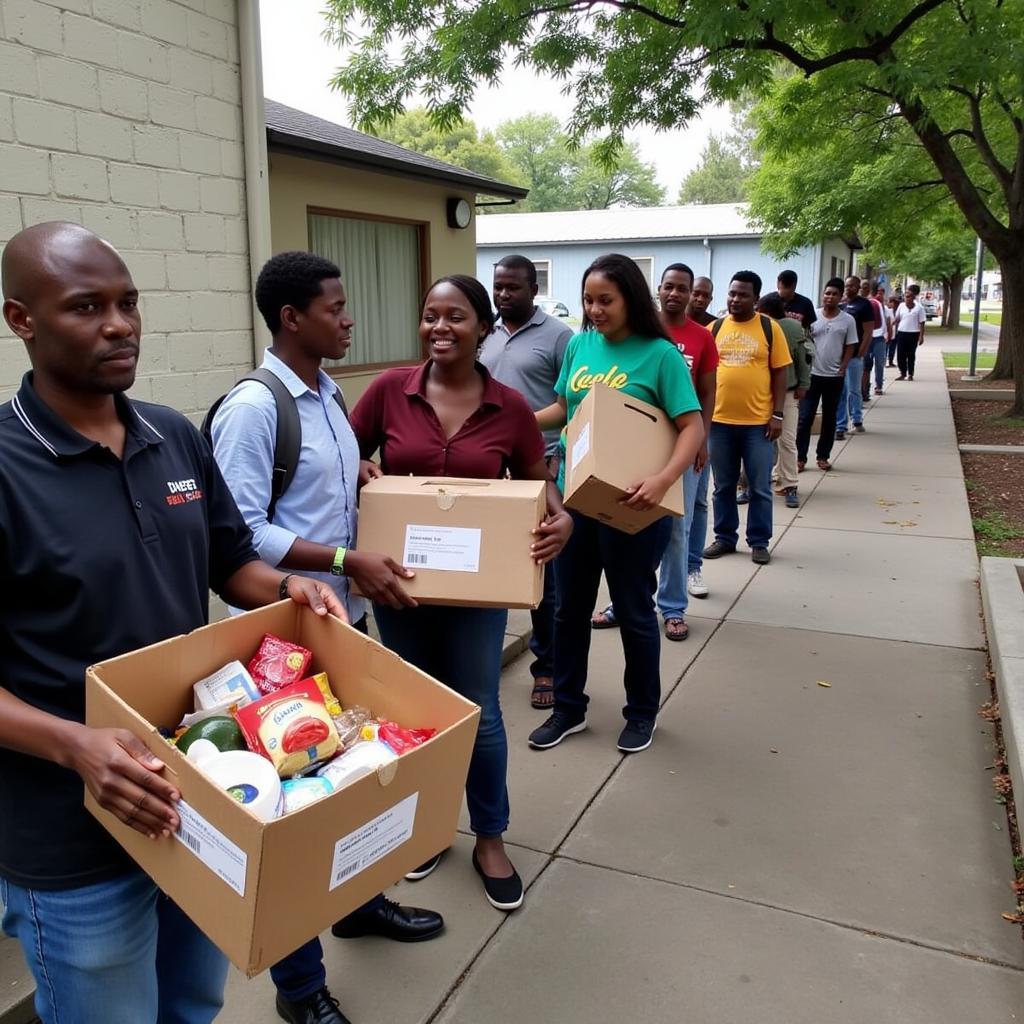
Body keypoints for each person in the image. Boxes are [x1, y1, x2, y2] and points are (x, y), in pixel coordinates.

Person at [0, 223, 344, 1024]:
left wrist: (293, 587)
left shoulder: (174, 436)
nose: (120, 324)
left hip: (200, 790)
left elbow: (231, 564)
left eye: (128, 303)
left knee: (191, 1003)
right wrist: (74, 743)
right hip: (71, 835)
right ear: (22, 319)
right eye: (86, 306)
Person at [210, 252, 445, 1024]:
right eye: (336, 308)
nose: (349, 319)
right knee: (292, 811)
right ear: (291, 319)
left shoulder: (327, 393)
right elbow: (239, 534)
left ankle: (358, 903)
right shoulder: (253, 409)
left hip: (345, 621)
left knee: (348, 777)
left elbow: (318, 490)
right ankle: (301, 993)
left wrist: (362, 478)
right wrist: (345, 557)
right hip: (286, 634)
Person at [350, 275, 573, 912]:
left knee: (480, 710)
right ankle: (425, 831)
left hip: (477, 593)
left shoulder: (507, 408)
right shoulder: (390, 391)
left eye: (454, 317)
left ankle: (490, 838)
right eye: (429, 316)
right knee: (415, 712)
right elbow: (345, 455)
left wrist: (563, 519)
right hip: (402, 587)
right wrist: (362, 464)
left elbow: (537, 484)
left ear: (483, 327)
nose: (439, 327)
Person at [526, 254, 703, 756]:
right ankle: (568, 709)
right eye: (588, 300)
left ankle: (642, 712)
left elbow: (692, 425)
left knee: (634, 610)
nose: (595, 310)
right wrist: (519, 421)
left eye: (606, 300)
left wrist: (663, 478)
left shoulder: (660, 355)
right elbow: (565, 407)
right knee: (568, 609)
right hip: (576, 499)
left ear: (630, 299)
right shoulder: (580, 345)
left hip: (634, 505)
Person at [589, 263, 717, 641]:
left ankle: (673, 606)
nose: (676, 294)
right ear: (657, 290)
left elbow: (706, 394)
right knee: (625, 528)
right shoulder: (632, 333)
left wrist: (703, 440)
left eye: (684, 288)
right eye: (669, 287)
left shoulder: (699, 338)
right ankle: (624, 602)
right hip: (634, 453)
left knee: (677, 528)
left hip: (679, 449)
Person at [479, 254, 572, 709]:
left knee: (543, 574)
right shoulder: (483, 333)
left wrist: (528, 438)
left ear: (533, 289)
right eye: (498, 286)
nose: (503, 295)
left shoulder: (559, 337)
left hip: (538, 468)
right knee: (488, 566)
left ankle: (548, 667)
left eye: (512, 287)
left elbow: (571, 405)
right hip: (488, 471)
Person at [703, 271, 791, 566]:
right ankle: (725, 537)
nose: (735, 299)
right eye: (731, 293)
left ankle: (759, 541)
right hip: (719, 423)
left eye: (742, 295)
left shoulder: (769, 328)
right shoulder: (714, 329)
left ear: (755, 298)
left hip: (758, 425)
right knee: (723, 486)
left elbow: (780, 372)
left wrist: (777, 414)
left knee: (760, 487)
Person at [796, 278, 860, 472]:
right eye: (827, 293)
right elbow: (803, 340)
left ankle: (823, 456)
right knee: (805, 417)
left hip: (834, 377)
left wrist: (843, 367)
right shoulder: (813, 316)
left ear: (841, 297)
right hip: (812, 376)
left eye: (834, 294)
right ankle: (800, 457)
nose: (829, 297)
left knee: (830, 418)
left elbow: (851, 345)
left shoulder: (848, 320)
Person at [757, 293, 810, 509]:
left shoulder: (791, 329)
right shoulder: (754, 327)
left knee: (787, 440)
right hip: (760, 394)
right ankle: (750, 483)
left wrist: (803, 384)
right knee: (757, 443)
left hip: (787, 393)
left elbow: (803, 358)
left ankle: (790, 484)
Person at [835, 275, 874, 439]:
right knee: (841, 391)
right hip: (840, 354)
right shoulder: (841, 305)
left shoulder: (864, 305)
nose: (848, 288)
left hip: (855, 355)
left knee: (853, 389)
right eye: (846, 285)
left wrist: (862, 350)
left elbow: (868, 330)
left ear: (858, 288)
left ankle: (857, 419)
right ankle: (841, 425)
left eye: (852, 286)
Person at [859, 279, 886, 402]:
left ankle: (877, 385)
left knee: (878, 364)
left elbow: (882, 320)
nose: (862, 289)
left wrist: (885, 334)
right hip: (863, 338)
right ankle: (864, 392)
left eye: (865, 287)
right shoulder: (856, 303)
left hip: (877, 337)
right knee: (865, 366)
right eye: (861, 287)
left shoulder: (875, 303)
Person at [894, 289, 927, 380]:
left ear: (913, 298)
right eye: (905, 297)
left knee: (911, 354)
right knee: (900, 354)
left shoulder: (919, 308)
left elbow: (922, 322)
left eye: (909, 297)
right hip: (902, 333)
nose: (907, 298)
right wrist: (892, 324)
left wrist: (921, 336)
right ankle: (903, 373)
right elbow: (897, 318)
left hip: (913, 334)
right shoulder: (901, 306)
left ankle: (910, 373)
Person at [885, 295, 900, 366]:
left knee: (893, 348)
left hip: (896, 332)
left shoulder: (898, 311)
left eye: (891, 302)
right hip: (889, 332)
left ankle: (891, 361)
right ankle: (885, 362)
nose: (889, 304)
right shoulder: (887, 310)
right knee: (886, 348)